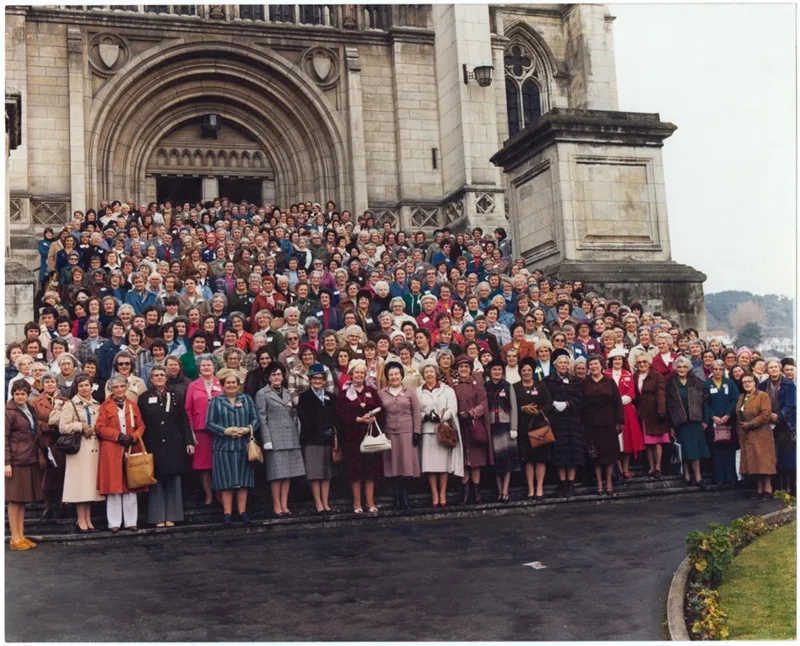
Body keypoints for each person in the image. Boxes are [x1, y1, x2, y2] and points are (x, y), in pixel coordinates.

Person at [138, 364, 195, 527]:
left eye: (162, 375)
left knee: (173, 479)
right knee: (156, 480)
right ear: (150, 379)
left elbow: (184, 420)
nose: (159, 378)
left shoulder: (175, 395)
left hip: (174, 443)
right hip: (153, 443)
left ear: (166, 377)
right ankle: (157, 517)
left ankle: (172, 515)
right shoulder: (144, 398)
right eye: (156, 375)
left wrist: (189, 441)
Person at [205, 369, 259, 526]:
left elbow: (256, 419)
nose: (231, 385)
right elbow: (208, 423)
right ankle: (227, 514)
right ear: (223, 385)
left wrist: (248, 429)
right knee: (226, 482)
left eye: (234, 382)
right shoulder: (216, 401)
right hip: (223, 446)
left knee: (243, 481)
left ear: (238, 384)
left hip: (243, 446)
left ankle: (242, 512)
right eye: (228, 382)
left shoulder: (247, 399)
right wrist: (224, 431)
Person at [96, 374, 147, 532]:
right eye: (116, 387)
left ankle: (131, 521)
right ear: (111, 389)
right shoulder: (105, 406)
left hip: (131, 447)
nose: (119, 390)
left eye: (122, 386)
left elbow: (141, 426)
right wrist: (117, 436)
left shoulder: (132, 405)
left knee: (131, 484)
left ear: (126, 388)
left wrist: (133, 437)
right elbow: (100, 428)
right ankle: (114, 523)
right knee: (114, 485)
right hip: (112, 448)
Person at [55, 373, 104, 532]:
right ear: (77, 388)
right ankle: (80, 519)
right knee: (79, 485)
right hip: (79, 449)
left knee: (90, 486)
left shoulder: (97, 404)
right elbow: (63, 427)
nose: (84, 388)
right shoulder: (71, 405)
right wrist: (80, 426)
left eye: (86, 385)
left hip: (94, 448)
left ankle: (88, 518)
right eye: (81, 386)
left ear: (91, 387)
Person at [256, 362, 305, 517]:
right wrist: (267, 440)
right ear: (268, 377)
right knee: (276, 475)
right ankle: (277, 506)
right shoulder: (262, 394)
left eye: (279, 374)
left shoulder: (287, 393)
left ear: (283, 376)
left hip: (290, 437)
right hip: (274, 438)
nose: (276, 377)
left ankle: (285, 505)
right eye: (273, 374)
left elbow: (293, 414)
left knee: (288, 473)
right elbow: (262, 418)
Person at [335, 359, 384, 513]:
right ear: (351, 374)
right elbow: (339, 414)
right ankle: (357, 504)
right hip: (352, 437)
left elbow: (380, 408)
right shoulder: (344, 393)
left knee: (370, 471)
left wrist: (374, 417)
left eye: (362, 372)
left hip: (369, 435)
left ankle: (370, 503)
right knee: (355, 472)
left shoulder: (371, 391)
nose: (359, 375)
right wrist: (357, 419)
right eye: (356, 372)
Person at [417, 359, 463, 507]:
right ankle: (434, 494)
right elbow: (415, 412)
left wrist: (444, 417)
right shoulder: (418, 391)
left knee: (443, 465)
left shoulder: (447, 390)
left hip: (442, 430)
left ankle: (442, 492)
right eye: (426, 372)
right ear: (423, 374)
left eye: (431, 371)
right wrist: (426, 416)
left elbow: (452, 408)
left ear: (436, 373)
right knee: (429, 465)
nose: (429, 374)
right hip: (427, 431)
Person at [5, 380, 45, 550]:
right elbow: (3, 438)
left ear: (27, 394)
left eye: (23, 393)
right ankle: (14, 538)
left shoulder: (30, 408)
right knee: (14, 500)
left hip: (29, 458)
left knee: (22, 501)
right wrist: (6, 462)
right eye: (17, 394)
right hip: (15, 461)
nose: (20, 397)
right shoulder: (8, 411)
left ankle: (21, 535)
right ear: (13, 394)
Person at [378, 361, 422, 510]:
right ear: (387, 377)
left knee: (406, 466)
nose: (394, 377)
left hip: (407, 432)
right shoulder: (382, 393)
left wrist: (417, 431)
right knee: (392, 466)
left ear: (401, 375)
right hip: (389, 433)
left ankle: (405, 497)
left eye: (396, 374)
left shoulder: (410, 392)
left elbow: (416, 412)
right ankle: (395, 497)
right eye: (391, 374)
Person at [297, 363, 337, 513]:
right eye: (315, 378)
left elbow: (333, 417)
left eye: (320, 378)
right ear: (310, 380)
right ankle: (318, 502)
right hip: (312, 439)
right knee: (315, 473)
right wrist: (319, 431)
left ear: (324, 380)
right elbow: (305, 419)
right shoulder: (305, 397)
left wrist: (329, 431)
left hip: (327, 439)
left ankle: (326, 502)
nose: (318, 381)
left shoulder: (330, 397)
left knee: (326, 474)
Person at [512, 356, 554, 501]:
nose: (526, 372)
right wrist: (522, 408)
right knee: (528, 460)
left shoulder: (541, 385)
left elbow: (549, 403)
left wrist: (539, 411)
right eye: (524, 370)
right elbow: (511, 406)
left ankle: (540, 487)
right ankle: (530, 488)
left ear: (533, 372)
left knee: (540, 459)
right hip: (523, 427)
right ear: (520, 372)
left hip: (539, 427)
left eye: (529, 370)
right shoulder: (515, 387)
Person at [453, 355, 493, 504]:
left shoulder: (478, 386)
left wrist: (471, 413)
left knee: (476, 461)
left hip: (474, 426)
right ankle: (465, 493)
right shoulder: (453, 388)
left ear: (470, 369)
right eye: (461, 367)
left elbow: (483, 404)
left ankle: (476, 493)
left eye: (466, 367)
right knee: (463, 461)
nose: (463, 369)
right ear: (457, 370)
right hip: (459, 428)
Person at [582, 355, 624, 495]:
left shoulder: (609, 381)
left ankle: (609, 482)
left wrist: (619, 421)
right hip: (591, 423)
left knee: (610, 454)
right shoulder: (585, 383)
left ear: (601, 366)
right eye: (591, 364)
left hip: (608, 422)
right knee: (595, 455)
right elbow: (581, 403)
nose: (593, 366)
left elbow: (617, 402)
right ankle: (600, 483)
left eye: (596, 364)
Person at [666, 356, 710, 488]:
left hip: (695, 420)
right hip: (679, 421)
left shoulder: (697, 382)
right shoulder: (670, 383)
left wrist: (705, 420)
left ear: (689, 368)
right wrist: (670, 425)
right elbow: (668, 405)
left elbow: (705, 403)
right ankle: (686, 476)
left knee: (695, 451)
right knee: (684, 451)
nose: (682, 369)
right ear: (675, 368)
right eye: (679, 367)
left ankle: (698, 477)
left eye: (684, 367)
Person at [545, 350, 585, 496]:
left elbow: (580, 398)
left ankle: (571, 482)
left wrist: (568, 404)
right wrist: (553, 403)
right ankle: (562, 483)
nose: (563, 365)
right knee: (560, 452)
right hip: (557, 421)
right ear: (555, 365)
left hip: (573, 420)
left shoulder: (575, 381)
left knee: (574, 452)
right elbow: (546, 397)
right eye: (560, 362)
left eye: (565, 362)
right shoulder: (548, 380)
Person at [184, 355, 222, 507]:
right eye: (203, 365)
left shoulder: (222, 383)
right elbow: (187, 409)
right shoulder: (193, 385)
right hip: (201, 430)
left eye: (209, 365)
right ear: (199, 368)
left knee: (219, 464)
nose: (206, 367)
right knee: (204, 466)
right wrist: (191, 432)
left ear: (214, 367)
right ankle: (208, 496)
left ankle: (220, 494)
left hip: (220, 430)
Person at [29, 372, 66, 519]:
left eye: (52, 382)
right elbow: (33, 421)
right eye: (47, 382)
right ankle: (48, 506)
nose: (50, 384)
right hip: (45, 442)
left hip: (61, 441)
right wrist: (46, 425)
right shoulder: (35, 402)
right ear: (42, 385)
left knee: (62, 472)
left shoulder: (64, 400)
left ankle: (62, 505)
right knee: (46, 473)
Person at [604, 347, 644, 480]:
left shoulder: (628, 374)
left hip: (626, 410)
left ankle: (625, 469)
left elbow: (631, 393)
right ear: (611, 361)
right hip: (609, 410)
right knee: (614, 441)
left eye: (619, 359)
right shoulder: (605, 374)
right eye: (614, 359)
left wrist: (619, 401)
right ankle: (618, 469)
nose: (617, 361)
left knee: (626, 442)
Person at [484, 359, 521, 502]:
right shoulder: (486, 387)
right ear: (490, 371)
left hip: (506, 426)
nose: (497, 372)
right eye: (494, 370)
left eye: (499, 370)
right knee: (496, 461)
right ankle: (499, 490)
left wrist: (514, 427)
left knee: (507, 461)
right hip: (492, 426)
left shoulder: (507, 386)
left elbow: (514, 408)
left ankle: (506, 490)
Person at [758, 359, 796, 494]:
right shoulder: (762, 386)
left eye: (775, 367)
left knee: (787, 457)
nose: (773, 369)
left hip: (786, 425)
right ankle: (776, 487)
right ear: (767, 370)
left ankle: (789, 488)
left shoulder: (789, 384)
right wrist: (769, 415)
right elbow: (759, 403)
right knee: (773, 457)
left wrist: (779, 415)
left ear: (779, 369)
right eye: (770, 367)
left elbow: (791, 405)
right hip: (768, 424)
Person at [737, 372, 777, 498]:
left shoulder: (762, 396)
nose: (747, 384)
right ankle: (759, 489)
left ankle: (768, 490)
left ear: (755, 382)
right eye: (744, 382)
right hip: (747, 435)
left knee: (764, 462)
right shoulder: (741, 397)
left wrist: (751, 424)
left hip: (761, 433)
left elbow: (765, 414)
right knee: (753, 463)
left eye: (749, 381)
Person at [633, 353, 671, 478]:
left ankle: (658, 467)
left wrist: (661, 411)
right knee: (648, 441)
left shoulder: (656, 376)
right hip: (643, 412)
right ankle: (651, 467)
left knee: (657, 441)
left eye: (644, 361)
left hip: (655, 410)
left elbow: (661, 394)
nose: (642, 364)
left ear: (649, 363)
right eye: (639, 362)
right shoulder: (635, 376)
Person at [704, 360, 740, 485]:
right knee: (716, 450)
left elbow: (736, 399)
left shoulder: (729, 383)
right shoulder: (707, 384)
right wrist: (713, 416)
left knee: (729, 450)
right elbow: (704, 403)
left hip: (728, 421)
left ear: (724, 370)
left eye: (720, 369)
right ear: (711, 370)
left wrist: (728, 414)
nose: (718, 371)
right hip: (714, 423)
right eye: (715, 369)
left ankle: (730, 478)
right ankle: (719, 478)